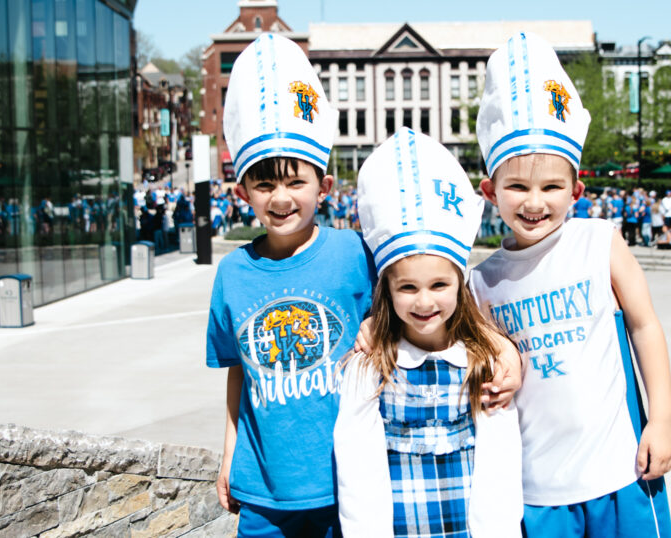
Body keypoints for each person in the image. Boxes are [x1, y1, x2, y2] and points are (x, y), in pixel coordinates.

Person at [473, 33, 671, 537]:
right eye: (517, 186)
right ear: (490, 191)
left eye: (551, 187)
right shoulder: (482, 281)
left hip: (621, 470)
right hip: (538, 488)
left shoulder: (599, 242)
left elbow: (645, 326)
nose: (534, 202)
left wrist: (662, 419)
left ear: (576, 190)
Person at [205, 35, 375, 538]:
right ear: (243, 193)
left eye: (295, 182)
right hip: (263, 492)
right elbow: (237, 374)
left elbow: (407, 318)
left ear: (323, 187)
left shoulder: (353, 255)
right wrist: (228, 456)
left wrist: (376, 328)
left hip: (346, 483)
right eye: (264, 184)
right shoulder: (233, 274)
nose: (281, 198)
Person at [334, 128, 523, 537]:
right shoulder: (371, 364)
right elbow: (355, 456)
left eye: (439, 286)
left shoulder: (480, 361)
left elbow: (501, 457)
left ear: (461, 285)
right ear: (387, 289)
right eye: (407, 288)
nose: (424, 302)